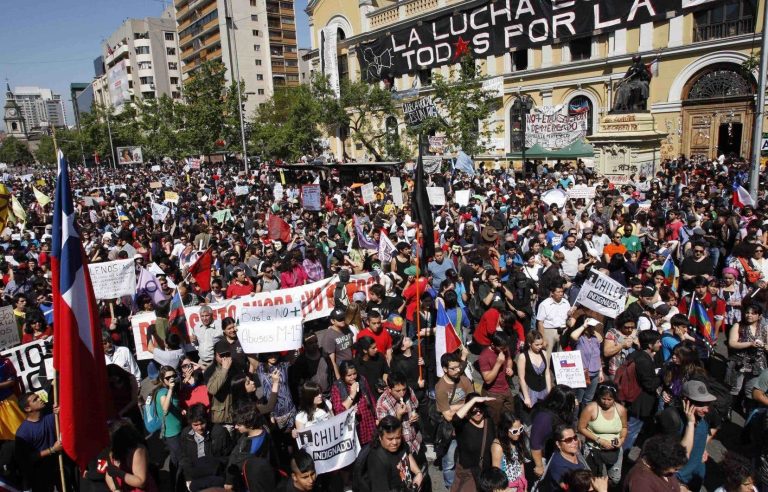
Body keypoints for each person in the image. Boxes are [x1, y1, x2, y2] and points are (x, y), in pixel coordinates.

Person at [656, 381, 718, 491]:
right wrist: (690, 423)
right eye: (701, 404)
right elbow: (677, 456)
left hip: (696, 476)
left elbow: (716, 426)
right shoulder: (672, 417)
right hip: (678, 479)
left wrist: (703, 446)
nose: (706, 409)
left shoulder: (706, 413)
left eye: (707, 403)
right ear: (686, 401)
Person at [577, 382, 627, 485]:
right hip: (594, 449)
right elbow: (581, 428)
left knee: (615, 479)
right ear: (598, 396)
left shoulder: (621, 410)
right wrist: (599, 440)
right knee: (592, 478)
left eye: (610, 400)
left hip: (615, 450)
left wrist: (621, 440)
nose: (606, 402)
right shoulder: (590, 408)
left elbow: (624, 427)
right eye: (603, 398)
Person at [13, 392, 64, 492]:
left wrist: (62, 411)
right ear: (27, 408)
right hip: (41, 476)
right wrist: (52, 449)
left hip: (60, 467)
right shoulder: (23, 433)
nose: (39, 399)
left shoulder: (51, 416)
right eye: (35, 399)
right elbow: (25, 459)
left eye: (38, 397)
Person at [623, 329, 661, 451]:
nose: (660, 344)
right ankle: (622, 457)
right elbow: (650, 385)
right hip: (639, 404)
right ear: (650, 345)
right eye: (658, 342)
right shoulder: (644, 360)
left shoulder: (636, 354)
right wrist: (661, 376)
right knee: (632, 431)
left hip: (633, 400)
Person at [179, 403, 232, 491]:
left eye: (202, 423)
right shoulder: (185, 434)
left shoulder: (220, 432)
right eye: (195, 425)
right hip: (196, 477)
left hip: (215, 477)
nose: (200, 428)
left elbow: (228, 456)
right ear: (190, 423)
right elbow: (184, 458)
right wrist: (188, 478)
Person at [450, 393, 497, 492]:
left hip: (486, 474)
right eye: (474, 411)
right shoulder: (463, 424)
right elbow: (455, 419)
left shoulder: (489, 421)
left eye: (480, 410)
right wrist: (474, 400)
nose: (478, 413)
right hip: (468, 473)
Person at [529, 384, 577, 479]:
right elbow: (535, 443)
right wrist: (539, 466)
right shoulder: (544, 418)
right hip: (547, 457)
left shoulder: (563, 413)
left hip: (560, 455)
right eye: (572, 400)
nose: (575, 402)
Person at [366, 415, 425, 492]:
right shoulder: (377, 460)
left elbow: (407, 455)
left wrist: (418, 473)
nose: (395, 443)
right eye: (390, 439)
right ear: (380, 437)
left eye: (398, 438)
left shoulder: (401, 444)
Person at [375, 371, 423, 462]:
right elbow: (387, 431)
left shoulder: (408, 390)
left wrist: (415, 415)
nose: (402, 393)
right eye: (397, 391)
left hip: (415, 443)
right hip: (399, 450)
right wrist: (398, 416)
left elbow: (415, 406)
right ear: (389, 389)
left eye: (404, 389)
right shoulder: (382, 405)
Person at [330, 360, 377, 446]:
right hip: (354, 427)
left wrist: (376, 417)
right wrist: (352, 395)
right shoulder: (337, 387)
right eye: (349, 375)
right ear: (343, 375)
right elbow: (339, 411)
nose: (353, 377)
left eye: (354, 374)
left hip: (368, 421)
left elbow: (371, 397)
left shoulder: (362, 379)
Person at [105, 420, 159, 491]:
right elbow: (108, 473)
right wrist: (114, 489)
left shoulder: (137, 450)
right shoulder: (112, 451)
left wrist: (118, 472)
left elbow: (141, 482)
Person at [623, 435, 687, 492]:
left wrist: (682, 487)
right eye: (675, 469)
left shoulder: (664, 471)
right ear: (662, 463)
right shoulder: (641, 481)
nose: (677, 471)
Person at [155, 364, 184, 488]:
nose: (172, 379)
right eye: (168, 378)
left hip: (178, 429)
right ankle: (177, 485)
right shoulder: (163, 392)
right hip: (172, 433)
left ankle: (175, 483)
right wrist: (171, 389)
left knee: (175, 459)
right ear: (162, 380)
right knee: (178, 461)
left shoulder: (173, 389)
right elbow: (165, 409)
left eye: (173, 376)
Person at [478, 331, 515, 424]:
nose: (505, 350)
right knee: (494, 421)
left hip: (506, 389)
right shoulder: (484, 356)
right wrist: (498, 363)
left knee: (509, 418)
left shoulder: (504, 348)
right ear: (493, 344)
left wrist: (510, 368)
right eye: (502, 348)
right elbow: (487, 380)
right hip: (492, 393)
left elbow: (509, 360)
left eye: (506, 347)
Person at [515, 330, 551, 424]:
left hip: (543, 389)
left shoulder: (544, 353)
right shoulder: (523, 357)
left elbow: (547, 373)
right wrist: (526, 397)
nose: (540, 347)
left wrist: (550, 390)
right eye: (537, 344)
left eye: (541, 344)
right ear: (530, 343)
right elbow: (521, 378)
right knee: (529, 418)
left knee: (542, 416)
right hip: (530, 390)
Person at [539, 424, 589, 492]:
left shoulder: (575, 452)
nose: (574, 442)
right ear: (558, 444)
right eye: (569, 440)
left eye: (575, 437)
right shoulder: (559, 467)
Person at [490, 411, 529, 492]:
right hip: (506, 488)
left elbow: (521, 463)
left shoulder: (517, 440)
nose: (518, 433)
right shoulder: (498, 446)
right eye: (514, 431)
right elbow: (496, 473)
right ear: (505, 430)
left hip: (519, 484)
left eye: (520, 429)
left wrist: (524, 484)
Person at [570, 318, 604, 406]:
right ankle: (575, 418)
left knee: (588, 399)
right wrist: (584, 326)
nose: (593, 328)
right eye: (591, 326)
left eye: (594, 326)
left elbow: (598, 355)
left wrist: (600, 372)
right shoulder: (580, 339)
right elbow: (573, 335)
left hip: (595, 373)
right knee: (578, 399)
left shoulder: (595, 338)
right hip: (583, 373)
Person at [536, 284, 571, 356]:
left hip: (563, 331)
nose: (561, 294)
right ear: (552, 293)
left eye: (562, 292)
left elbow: (568, 318)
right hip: (549, 331)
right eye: (558, 292)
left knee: (561, 355)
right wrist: (543, 338)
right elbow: (540, 322)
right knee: (547, 354)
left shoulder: (566, 302)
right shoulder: (544, 304)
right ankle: (547, 367)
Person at [321, 307, 355, 380]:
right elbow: (332, 361)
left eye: (343, 318)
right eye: (339, 319)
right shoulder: (329, 336)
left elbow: (351, 347)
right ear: (333, 321)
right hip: (341, 370)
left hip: (351, 367)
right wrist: (338, 378)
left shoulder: (347, 328)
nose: (342, 321)